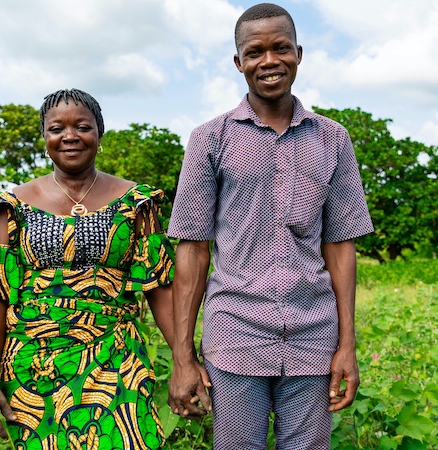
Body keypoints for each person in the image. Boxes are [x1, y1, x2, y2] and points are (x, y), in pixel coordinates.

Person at [167, 3, 374, 449]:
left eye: (280, 48)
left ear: (298, 53)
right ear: (238, 62)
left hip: (314, 336)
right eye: (255, 51)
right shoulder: (211, 137)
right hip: (235, 336)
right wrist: (183, 357)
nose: (269, 61)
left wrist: (347, 345)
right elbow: (193, 249)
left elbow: (341, 246)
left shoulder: (332, 138)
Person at [0, 88, 179, 449]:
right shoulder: (11, 207)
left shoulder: (137, 203)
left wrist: (184, 360)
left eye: (82, 126)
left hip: (116, 357)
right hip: (34, 368)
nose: (70, 136)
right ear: (44, 138)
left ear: (99, 133)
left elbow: (159, 288)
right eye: (57, 128)